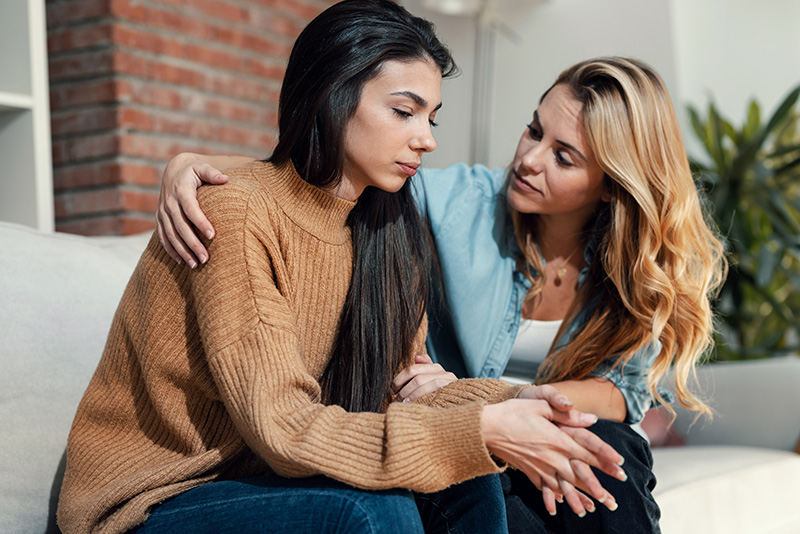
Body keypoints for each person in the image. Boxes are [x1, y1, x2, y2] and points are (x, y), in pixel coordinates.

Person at [57, 2, 628, 533]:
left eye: (431, 117)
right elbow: (282, 429)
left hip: (260, 481)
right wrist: (480, 427)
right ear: (333, 93)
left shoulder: (386, 228)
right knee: (370, 511)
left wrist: (511, 404)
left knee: (470, 477)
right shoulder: (235, 211)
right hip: (152, 500)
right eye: (404, 111)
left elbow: (405, 388)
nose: (426, 140)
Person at [156, 56, 727, 533]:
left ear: (610, 186)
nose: (528, 159)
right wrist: (192, 164)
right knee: (588, 467)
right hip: (446, 436)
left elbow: (625, 392)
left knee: (611, 451)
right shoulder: (460, 203)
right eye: (534, 129)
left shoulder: (634, 270)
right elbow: (334, 178)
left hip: (502, 424)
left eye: (564, 156)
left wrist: (516, 402)